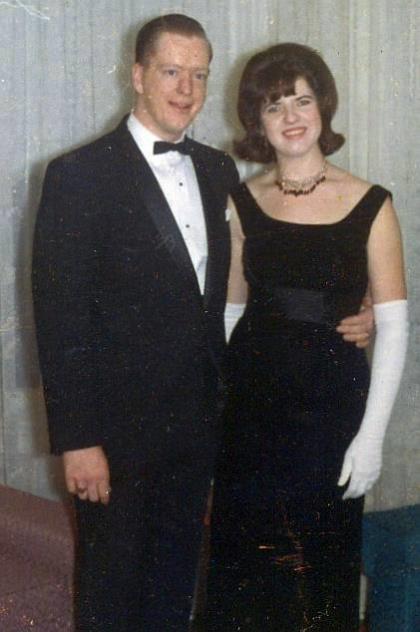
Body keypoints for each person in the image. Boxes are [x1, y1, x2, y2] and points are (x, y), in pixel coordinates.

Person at [31, 16, 373, 631]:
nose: (186, 89)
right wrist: (78, 441)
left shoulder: (220, 172)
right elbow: (60, 318)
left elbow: (261, 283)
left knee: (175, 592)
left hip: (199, 433)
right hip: (116, 439)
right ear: (138, 76)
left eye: (199, 75)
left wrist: (351, 309)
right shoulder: (78, 174)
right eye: (171, 71)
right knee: (111, 596)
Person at [206, 43, 408, 631]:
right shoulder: (242, 202)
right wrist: (215, 413)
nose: (291, 116)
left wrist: (371, 439)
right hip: (250, 414)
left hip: (330, 415)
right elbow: (228, 316)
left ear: (323, 106)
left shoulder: (372, 203)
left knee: (318, 574)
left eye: (301, 100)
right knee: (246, 571)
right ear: (257, 120)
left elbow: (395, 327)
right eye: (274, 106)